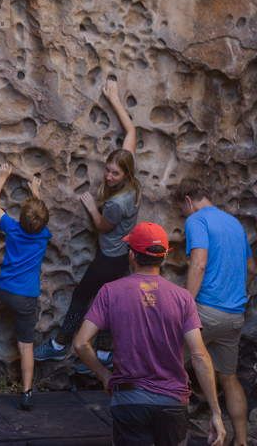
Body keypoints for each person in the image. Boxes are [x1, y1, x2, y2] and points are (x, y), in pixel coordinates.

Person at [74, 221, 225, 446]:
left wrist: (104, 375)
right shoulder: (183, 298)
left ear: (132, 255)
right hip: (172, 401)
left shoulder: (110, 292)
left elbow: (81, 344)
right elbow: (200, 356)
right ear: (163, 257)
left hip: (128, 399)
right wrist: (216, 412)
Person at [35, 76, 138, 364]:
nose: (108, 176)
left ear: (126, 175)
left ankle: (60, 344)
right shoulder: (131, 174)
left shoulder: (118, 202)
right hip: (121, 255)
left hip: (111, 256)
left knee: (83, 295)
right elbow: (131, 131)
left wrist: (93, 207)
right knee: (112, 300)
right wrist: (113, 97)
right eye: (107, 170)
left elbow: (103, 226)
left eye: (114, 174)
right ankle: (104, 352)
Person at [173, 178, 256, 446]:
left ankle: (173, 437)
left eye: (182, 209)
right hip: (234, 315)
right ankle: (242, 441)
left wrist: (187, 303)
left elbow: (198, 263)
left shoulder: (197, 221)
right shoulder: (234, 223)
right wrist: (235, 294)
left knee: (171, 366)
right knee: (229, 378)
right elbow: (252, 269)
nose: (183, 216)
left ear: (188, 201)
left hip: (205, 312)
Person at [0, 163, 51, 410]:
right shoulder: (44, 235)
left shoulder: (12, 228)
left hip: (5, 290)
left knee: (14, 328)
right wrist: (36, 191)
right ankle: (26, 392)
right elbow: (41, 218)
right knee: (26, 345)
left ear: (21, 217)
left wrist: (3, 177)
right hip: (26, 298)